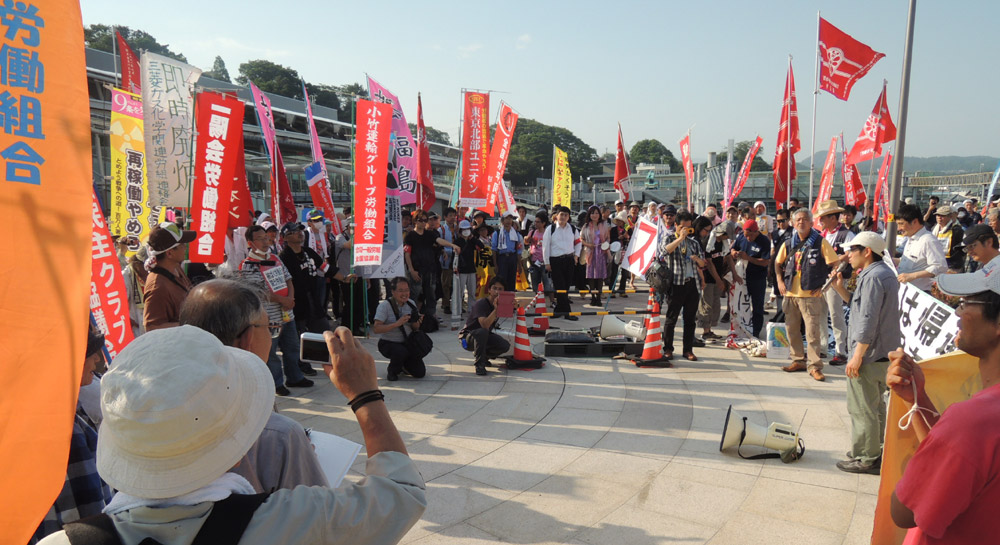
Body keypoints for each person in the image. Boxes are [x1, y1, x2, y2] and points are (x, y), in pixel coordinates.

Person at [41, 325, 426, 545]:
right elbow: (402, 493)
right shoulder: (292, 522)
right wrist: (364, 395)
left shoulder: (63, 542)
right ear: (239, 444)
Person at [178, 279, 328, 492]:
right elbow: (316, 506)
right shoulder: (281, 434)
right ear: (248, 338)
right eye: (270, 328)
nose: (271, 336)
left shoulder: (159, 409)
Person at [888, 270, 1000, 543]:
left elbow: (904, 511)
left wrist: (920, 464)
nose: (957, 313)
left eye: (966, 303)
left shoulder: (972, 422)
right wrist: (916, 400)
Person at [31, 328, 113, 543]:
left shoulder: (60, 412)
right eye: (89, 352)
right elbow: (82, 513)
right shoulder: (62, 426)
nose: (97, 358)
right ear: (70, 360)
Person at [828, 233, 899, 474]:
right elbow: (862, 308)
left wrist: (857, 355)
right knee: (875, 406)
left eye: (852, 250)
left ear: (867, 251)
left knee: (862, 408)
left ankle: (867, 457)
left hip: (868, 354)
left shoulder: (873, 277)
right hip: (882, 352)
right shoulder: (883, 273)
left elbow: (868, 319)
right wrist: (840, 289)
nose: (848, 255)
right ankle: (875, 449)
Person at [239, 225, 314, 395]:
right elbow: (259, 292)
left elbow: (288, 279)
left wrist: (290, 298)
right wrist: (283, 300)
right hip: (268, 316)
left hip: (286, 312)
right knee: (270, 351)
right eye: (260, 239)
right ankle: (276, 382)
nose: (266, 242)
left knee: (292, 347)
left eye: (266, 238)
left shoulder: (275, 258)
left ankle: (295, 377)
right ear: (250, 243)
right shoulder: (248, 265)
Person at [775, 208, 840, 381]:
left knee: (812, 334)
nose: (801, 222)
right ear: (793, 223)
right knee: (792, 330)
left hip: (810, 295)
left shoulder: (820, 242)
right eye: (798, 220)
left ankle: (814, 366)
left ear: (811, 222)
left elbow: (836, 264)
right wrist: (780, 281)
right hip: (790, 293)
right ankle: (798, 360)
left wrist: (824, 286)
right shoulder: (788, 243)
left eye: (804, 219)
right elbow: (777, 263)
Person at [658, 211, 707, 361]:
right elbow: (664, 251)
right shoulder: (669, 238)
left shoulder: (694, 243)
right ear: (676, 225)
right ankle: (668, 349)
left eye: (688, 228)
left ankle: (688, 350)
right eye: (682, 227)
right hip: (676, 283)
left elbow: (703, 263)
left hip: (692, 283)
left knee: (690, 319)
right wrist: (680, 238)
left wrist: (697, 260)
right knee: (671, 318)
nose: (685, 230)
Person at [817, 199, 855, 365]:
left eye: (823, 218)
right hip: (821, 278)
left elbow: (851, 253)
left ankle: (841, 351)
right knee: (820, 313)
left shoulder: (846, 234)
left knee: (836, 314)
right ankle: (822, 347)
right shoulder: (822, 235)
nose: (820, 221)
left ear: (833, 218)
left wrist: (838, 259)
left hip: (836, 279)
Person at [404, 210, 460, 319]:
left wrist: (452, 245)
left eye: (425, 220)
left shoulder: (430, 234)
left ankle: (431, 317)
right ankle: (412, 318)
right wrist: (411, 270)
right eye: (421, 220)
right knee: (415, 294)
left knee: (431, 294)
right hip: (416, 270)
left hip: (430, 269)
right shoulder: (410, 236)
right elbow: (407, 254)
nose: (423, 223)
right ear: (415, 221)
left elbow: (439, 240)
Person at [278, 222, 331, 337]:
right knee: (303, 337)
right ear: (285, 238)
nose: (299, 233)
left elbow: (325, 267)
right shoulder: (283, 257)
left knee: (325, 334)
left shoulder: (308, 252)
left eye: (300, 231)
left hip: (314, 301)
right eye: (294, 232)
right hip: (297, 305)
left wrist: (345, 278)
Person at [143, 222, 196, 332]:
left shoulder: (176, 267)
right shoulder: (157, 287)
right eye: (182, 245)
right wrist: (192, 324)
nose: (185, 247)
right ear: (169, 253)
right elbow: (151, 327)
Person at [372, 277, 427, 381]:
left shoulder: (411, 304)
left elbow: (415, 328)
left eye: (407, 290)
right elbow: (376, 329)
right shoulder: (384, 306)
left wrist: (417, 322)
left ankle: (403, 365)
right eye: (400, 291)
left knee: (420, 373)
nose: (404, 294)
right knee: (400, 352)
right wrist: (396, 324)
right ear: (393, 292)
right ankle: (392, 371)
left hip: (407, 342)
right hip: (389, 342)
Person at [460, 277, 511, 376]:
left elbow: (509, 313)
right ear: (489, 290)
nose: (497, 292)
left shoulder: (499, 304)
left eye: (500, 289)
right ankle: (479, 364)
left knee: (504, 345)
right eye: (494, 288)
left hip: (484, 336)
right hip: (468, 337)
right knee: (482, 331)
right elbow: (485, 325)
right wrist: (496, 310)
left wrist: (513, 305)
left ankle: (484, 357)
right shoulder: (481, 303)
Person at [895, 204, 948, 291]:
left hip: (921, 292)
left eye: (901, 224)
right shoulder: (911, 238)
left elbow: (940, 267)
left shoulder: (928, 240)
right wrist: (892, 260)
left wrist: (912, 276)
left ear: (915, 222)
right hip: (906, 291)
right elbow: (912, 261)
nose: (898, 228)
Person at [732, 219, 771, 338]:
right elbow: (733, 248)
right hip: (742, 276)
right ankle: (742, 328)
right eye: (746, 235)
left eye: (750, 236)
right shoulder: (741, 237)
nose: (748, 238)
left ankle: (755, 331)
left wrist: (748, 258)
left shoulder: (764, 241)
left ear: (756, 231)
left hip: (757, 278)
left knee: (757, 306)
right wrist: (734, 253)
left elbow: (765, 262)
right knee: (740, 304)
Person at [542, 205, 582, 321]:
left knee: (566, 287)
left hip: (569, 260)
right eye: (561, 214)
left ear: (568, 217)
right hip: (555, 261)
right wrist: (547, 262)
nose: (563, 217)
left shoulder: (572, 229)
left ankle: (558, 310)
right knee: (560, 286)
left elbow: (578, 242)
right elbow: (545, 246)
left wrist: (576, 256)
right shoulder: (551, 229)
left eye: (566, 215)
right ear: (556, 216)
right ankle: (568, 312)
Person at [697, 220, 732, 341]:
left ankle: (710, 330)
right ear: (722, 233)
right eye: (727, 235)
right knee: (707, 304)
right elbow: (709, 263)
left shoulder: (723, 243)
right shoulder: (708, 241)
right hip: (707, 278)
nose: (728, 238)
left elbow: (727, 257)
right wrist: (719, 280)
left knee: (716, 304)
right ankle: (705, 331)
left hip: (718, 277)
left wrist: (732, 274)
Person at [580, 205, 611, 307]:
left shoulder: (604, 225)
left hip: (601, 253)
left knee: (600, 276)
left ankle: (599, 297)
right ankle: (593, 297)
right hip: (590, 253)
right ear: (589, 214)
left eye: (597, 213)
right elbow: (581, 239)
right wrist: (588, 245)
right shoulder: (586, 226)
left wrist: (606, 244)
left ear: (600, 214)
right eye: (592, 213)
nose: (595, 215)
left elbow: (608, 238)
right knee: (591, 276)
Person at [453, 219, 482, 317]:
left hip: (471, 269)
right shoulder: (457, 241)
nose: (466, 231)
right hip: (461, 269)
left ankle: (471, 310)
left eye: (468, 229)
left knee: (472, 292)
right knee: (460, 292)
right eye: (464, 229)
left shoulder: (472, 241)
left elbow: (481, 245)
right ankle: (458, 311)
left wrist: (472, 238)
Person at [491, 211, 523, 292]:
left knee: (512, 280)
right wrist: (495, 265)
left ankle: (510, 298)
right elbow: (494, 250)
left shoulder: (516, 234)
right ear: (502, 221)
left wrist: (519, 264)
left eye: (510, 219)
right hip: (502, 258)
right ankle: (501, 298)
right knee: (501, 280)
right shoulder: (497, 233)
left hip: (512, 258)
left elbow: (518, 250)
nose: (508, 221)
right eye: (506, 219)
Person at [932, 205, 966, 272]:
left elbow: (963, 248)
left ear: (950, 216)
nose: (939, 217)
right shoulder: (934, 229)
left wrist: (956, 257)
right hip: (938, 263)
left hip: (953, 266)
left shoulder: (956, 230)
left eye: (942, 215)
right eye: (937, 215)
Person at [439, 207, 458, 314]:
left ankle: (456, 302)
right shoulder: (441, 230)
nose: (452, 218)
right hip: (446, 259)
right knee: (446, 283)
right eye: (450, 216)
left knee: (456, 282)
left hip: (457, 258)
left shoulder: (457, 229)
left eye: (454, 215)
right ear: (445, 217)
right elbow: (439, 245)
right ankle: (446, 304)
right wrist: (445, 251)